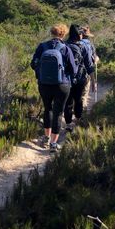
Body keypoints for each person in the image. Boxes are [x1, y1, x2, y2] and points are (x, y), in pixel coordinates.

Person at [31, 23, 77, 153]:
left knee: (48, 109)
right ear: (63, 34)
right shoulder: (66, 48)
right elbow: (73, 69)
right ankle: (53, 143)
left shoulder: (42, 46)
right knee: (58, 113)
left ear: (52, 33)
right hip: (62, 85)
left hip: (44, 84)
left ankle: (46, 137)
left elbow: (33, 63)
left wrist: (41, 73)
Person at [64, 24, 96, 131]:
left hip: (65, 79)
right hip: (80, 78)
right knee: (78, 100)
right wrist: (93, 81)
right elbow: (89, 65)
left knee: (68, 102)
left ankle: (68, 124)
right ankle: (78, 119)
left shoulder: (63, 45)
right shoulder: (83, 47)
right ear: (79, 35)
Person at [80, 25, 99, 108]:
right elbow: (92, 61)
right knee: (83, 96)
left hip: (70, 76)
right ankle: (81, 117)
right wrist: (93, 81)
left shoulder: (70, 43)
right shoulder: (89, 45)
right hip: (85, 74)